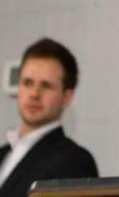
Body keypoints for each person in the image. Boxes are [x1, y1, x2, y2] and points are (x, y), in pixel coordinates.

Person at [0, 38, 98, 196]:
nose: (34, 94)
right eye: (27, 83)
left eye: (46, 85)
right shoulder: (3, 153)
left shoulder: (75, 161)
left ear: (67, 97)